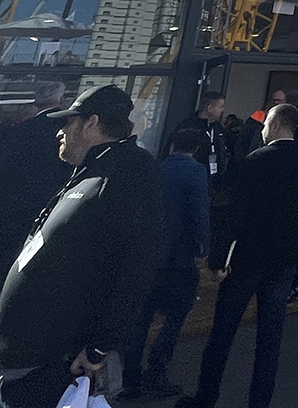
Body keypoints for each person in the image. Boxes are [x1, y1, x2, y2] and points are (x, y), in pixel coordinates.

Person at [0, 86, 162, 408]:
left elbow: (136, 268)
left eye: (68, 123)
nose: (60, 132)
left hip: (59, 357)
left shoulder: (130, 172)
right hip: (32, 353)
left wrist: (99, 347)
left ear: (91, 123)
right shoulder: (93, 169)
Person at [179, 103, 298, 408]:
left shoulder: (254, 161)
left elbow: (233, 214)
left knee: (223, 332)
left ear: (273, 125)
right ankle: (259, 401)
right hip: (284, 261)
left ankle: (206, 396)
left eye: (265, 123)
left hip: (246, 259)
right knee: (269, 339)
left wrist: (219, 259)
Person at [0, 82, 73, 343]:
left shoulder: (17, 131)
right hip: (42, 213)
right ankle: (8, 328)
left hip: (2, 209)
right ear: (61, 99)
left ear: (35, 102)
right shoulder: (66, 132)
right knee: (25, 271)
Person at [122, 127, 210, 400]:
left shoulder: (155, 168)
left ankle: (130, 378)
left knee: (140, 319)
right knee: (175, 317)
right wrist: (204, 247)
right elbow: (200, 212)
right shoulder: (195, 172)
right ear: (195, 148)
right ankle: (156, 371)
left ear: (171, 144)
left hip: (149, 255)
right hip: (179, 257)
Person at [177, 92, 237, 270]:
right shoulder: (189, 128)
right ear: (209, 108)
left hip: (214, 188)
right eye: (220, 106)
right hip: (192, 185)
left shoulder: (218, 129)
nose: (222, 110)